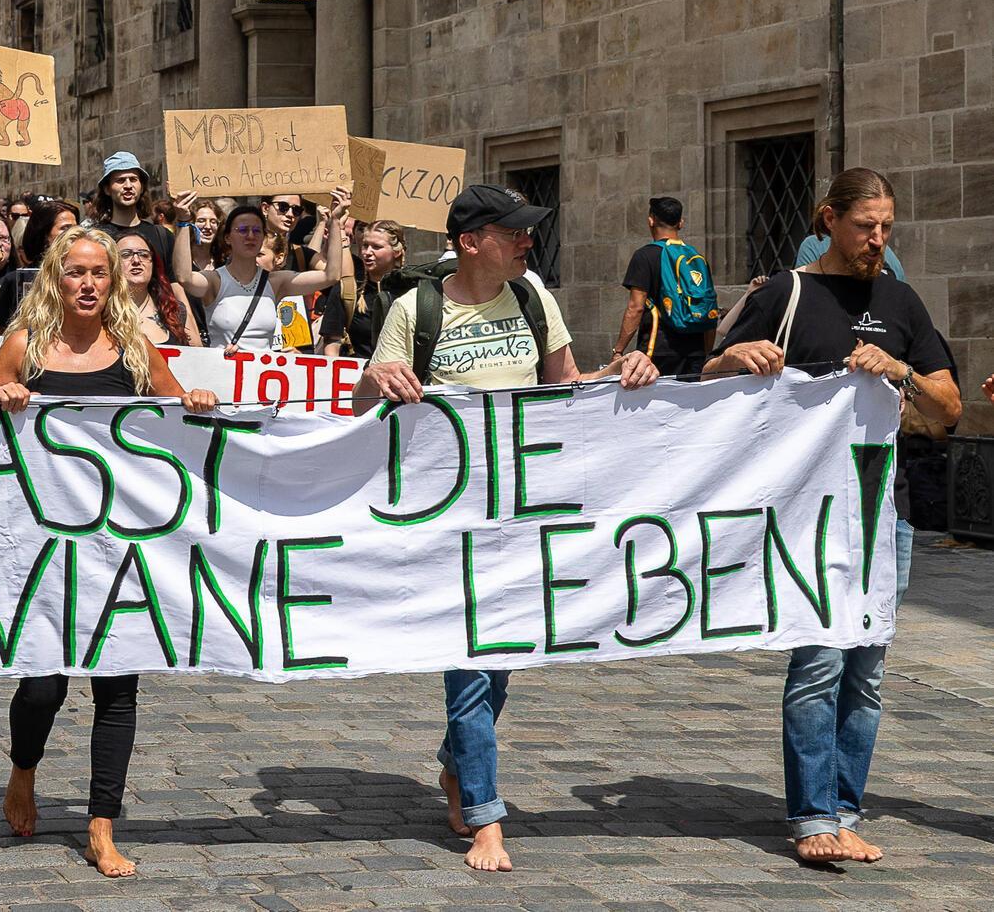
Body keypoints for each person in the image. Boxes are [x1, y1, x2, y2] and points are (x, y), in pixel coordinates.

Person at [359, 184, 658, 873]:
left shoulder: (534, 300)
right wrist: (382, 376)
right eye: (513, 232)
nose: (528, 241)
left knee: (499, 664)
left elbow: (566, 391)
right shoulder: (416, 309)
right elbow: (360, 405)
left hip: (524, 513)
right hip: (450, 517)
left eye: (529, 232)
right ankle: (487, 816)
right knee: (471, 660)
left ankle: (455, 762)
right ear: (470, 242)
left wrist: (623, 372)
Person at [705, 168, 959, 864]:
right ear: (827, 219)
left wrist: (902, 371)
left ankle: (846, 807)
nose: (877, 238)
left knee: (867, 669)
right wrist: (733, 356)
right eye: (864, 225)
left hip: (886, 510)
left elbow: (948, 412)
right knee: (819, 660)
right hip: (805, 514)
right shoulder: (787, 293)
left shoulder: (900, 301)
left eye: (887, 227)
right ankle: (813, 816)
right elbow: (705, 388)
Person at [0, 228, 219, 878]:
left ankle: (101, 827)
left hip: (119, 549)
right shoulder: (24, 346)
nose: (87, 284)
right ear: (56, 277)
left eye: (99, 274)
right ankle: (24, 770)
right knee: (44, 686)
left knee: (117, 687)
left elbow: (176, 406)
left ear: (113, 282)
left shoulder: (134, 347)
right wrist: (1, 400)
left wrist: (192, 398)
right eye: (75, 272)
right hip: (44, 545)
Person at [171, 191, 347, 350]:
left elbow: (331, 275)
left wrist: (335, 222)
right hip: (223, 376)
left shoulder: (276, 282)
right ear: (228, 238)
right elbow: (184, 277)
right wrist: (183, 222)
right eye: (242, 230)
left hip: (261, 378)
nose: (250, 236)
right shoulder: (215, 280)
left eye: (256, 231)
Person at [615, 197, 718, 377]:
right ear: (680, 223)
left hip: (658, 352)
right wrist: (705, 352)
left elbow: (635, 308)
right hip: (694, 353)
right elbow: (708, 306)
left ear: (651, 220)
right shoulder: (697, 258)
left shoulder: (644, 256)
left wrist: (618, 350)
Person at [320, 219, 405, 359]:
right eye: (365, 245)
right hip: (355, 378)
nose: (367, 252)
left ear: (396, 252)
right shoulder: (347, 289)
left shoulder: (412, 291)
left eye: (376, 247)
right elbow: (331, 345)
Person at [0, 199, 79, 331]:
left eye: (76, 228)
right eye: (65, 228)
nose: (74, 234)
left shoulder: (84, 278)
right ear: (45, 234)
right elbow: (2, 333)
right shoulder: (15, 281)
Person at [88, 152, 175, 268]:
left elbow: (176, 281)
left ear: (142, 187)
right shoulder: (95, 237)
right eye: (120, 180)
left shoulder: (162, 236)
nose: (128, 185)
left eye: (133, 179)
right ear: (107, 189)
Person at [118, 229, 197, 345]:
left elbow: (199, 356)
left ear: (153, 264)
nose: (136, 260)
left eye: (144, 255)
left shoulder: (175, 311)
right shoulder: (101, 313)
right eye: (126, 255)